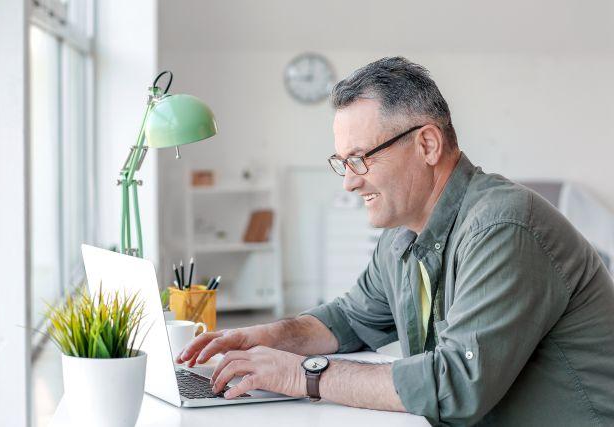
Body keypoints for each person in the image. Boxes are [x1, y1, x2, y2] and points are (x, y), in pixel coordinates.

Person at [176, 57, 614, 426]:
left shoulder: (503, 228)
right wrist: (267, 338)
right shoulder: (402, 236)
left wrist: (302, 375)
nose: (348, 182)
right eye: (342, 162)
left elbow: (456, 386)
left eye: (360, 159)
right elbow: (350, 319)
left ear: (426, 144)